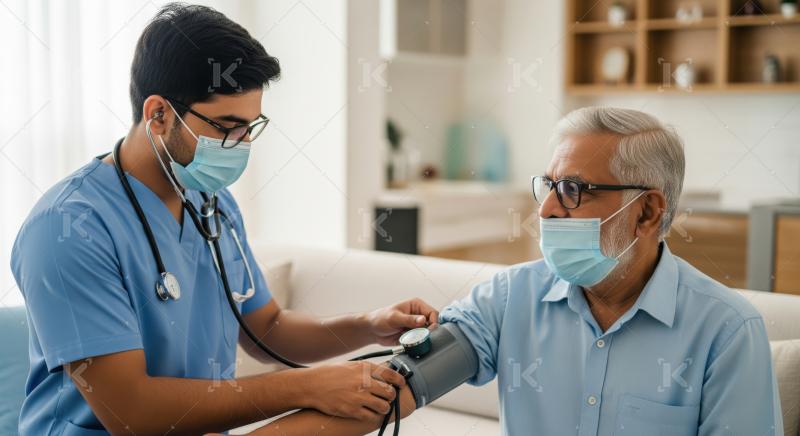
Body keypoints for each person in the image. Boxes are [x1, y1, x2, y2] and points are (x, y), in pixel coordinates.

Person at [10, 3, 431, 434]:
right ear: (158, 114)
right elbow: (132, 413)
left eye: (251, 126)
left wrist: (368, 326)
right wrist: (307, 386)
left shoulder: (214, 203)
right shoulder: (66, 229)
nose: (242, 143)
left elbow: (267, 327)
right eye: (227, 126)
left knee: (380, 402)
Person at [440, 107, 783, 435]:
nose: (546, 210)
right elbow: (413, 375)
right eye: (549, 186)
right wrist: (394, 372)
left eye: (572, 190)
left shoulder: (727, 332)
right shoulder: (510, 295)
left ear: (646, 213)